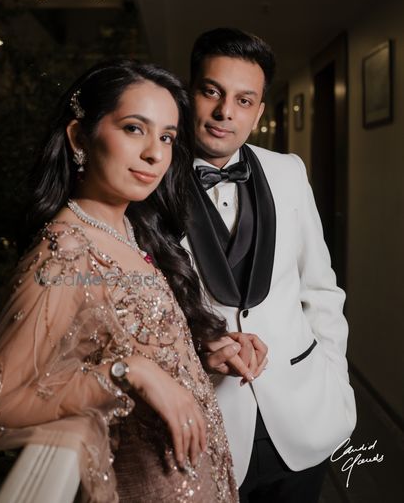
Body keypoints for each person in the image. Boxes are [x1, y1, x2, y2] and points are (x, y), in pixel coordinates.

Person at [0, 59, 257, 503]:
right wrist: (128, 372)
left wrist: (203, 354)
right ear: (79, 137)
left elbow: (126, 335)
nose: (155, 154)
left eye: (166, 137)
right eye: (133, 129)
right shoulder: (66, 251)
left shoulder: (131, 228)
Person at [181, 28, 357, 503]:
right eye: (212, 92)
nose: (225, 112)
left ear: (258, 112)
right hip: (206, 428)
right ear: (189, 93)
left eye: (244, 100)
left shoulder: (289, 171)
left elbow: (321, 290)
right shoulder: (150, 179)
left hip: (303, 415)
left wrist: (336, 387)